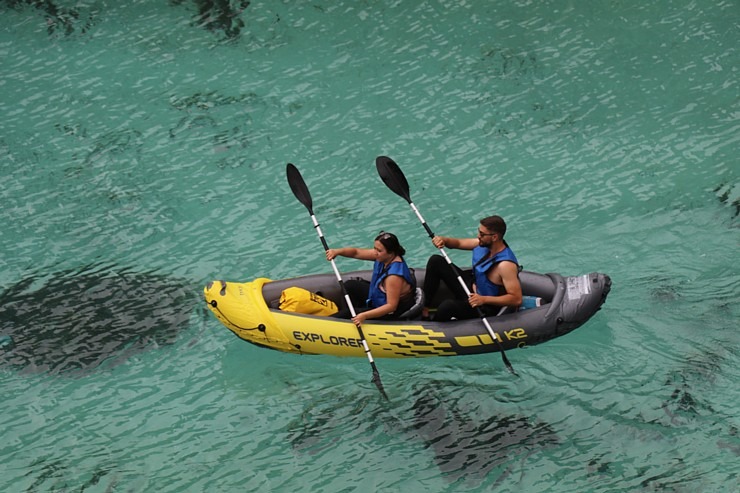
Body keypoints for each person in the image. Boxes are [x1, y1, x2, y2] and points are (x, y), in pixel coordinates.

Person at [422, 215, 522, 321]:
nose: (478, 236)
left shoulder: (505, 265)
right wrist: (444, 240)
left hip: (485, 305)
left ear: (494, 237)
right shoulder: (482, 244)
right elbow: (458, 243)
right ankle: (424, 307)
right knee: (436, 261)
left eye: (482, 234)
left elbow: (516, 299)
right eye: (479, 232)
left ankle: (432, 326)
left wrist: (483, 299)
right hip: (472, 288)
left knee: (447, 306)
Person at [326, 231, 416, 325]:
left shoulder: (393, 277)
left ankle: (344, 318)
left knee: (348, 314)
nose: (375, 253)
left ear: (391, 252)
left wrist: (364, 315)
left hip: (391, 311)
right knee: (349, 286)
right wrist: (337, 251)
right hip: (380, 297)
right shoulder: (383, 256)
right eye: (375, 248)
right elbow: (356, 252)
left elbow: (391, 306)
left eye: (379, 250)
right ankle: (348, 319)